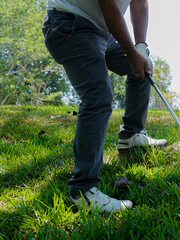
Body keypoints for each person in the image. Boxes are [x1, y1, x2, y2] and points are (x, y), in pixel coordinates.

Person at [42, 0, 167, 213]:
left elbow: (139, 2)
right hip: (71, 23)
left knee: (142, 66)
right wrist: (130, 51)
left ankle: (131, 135)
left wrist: (140, 47)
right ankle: (83, 190)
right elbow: (107, 4)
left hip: (102, 30)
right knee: (98, 98)